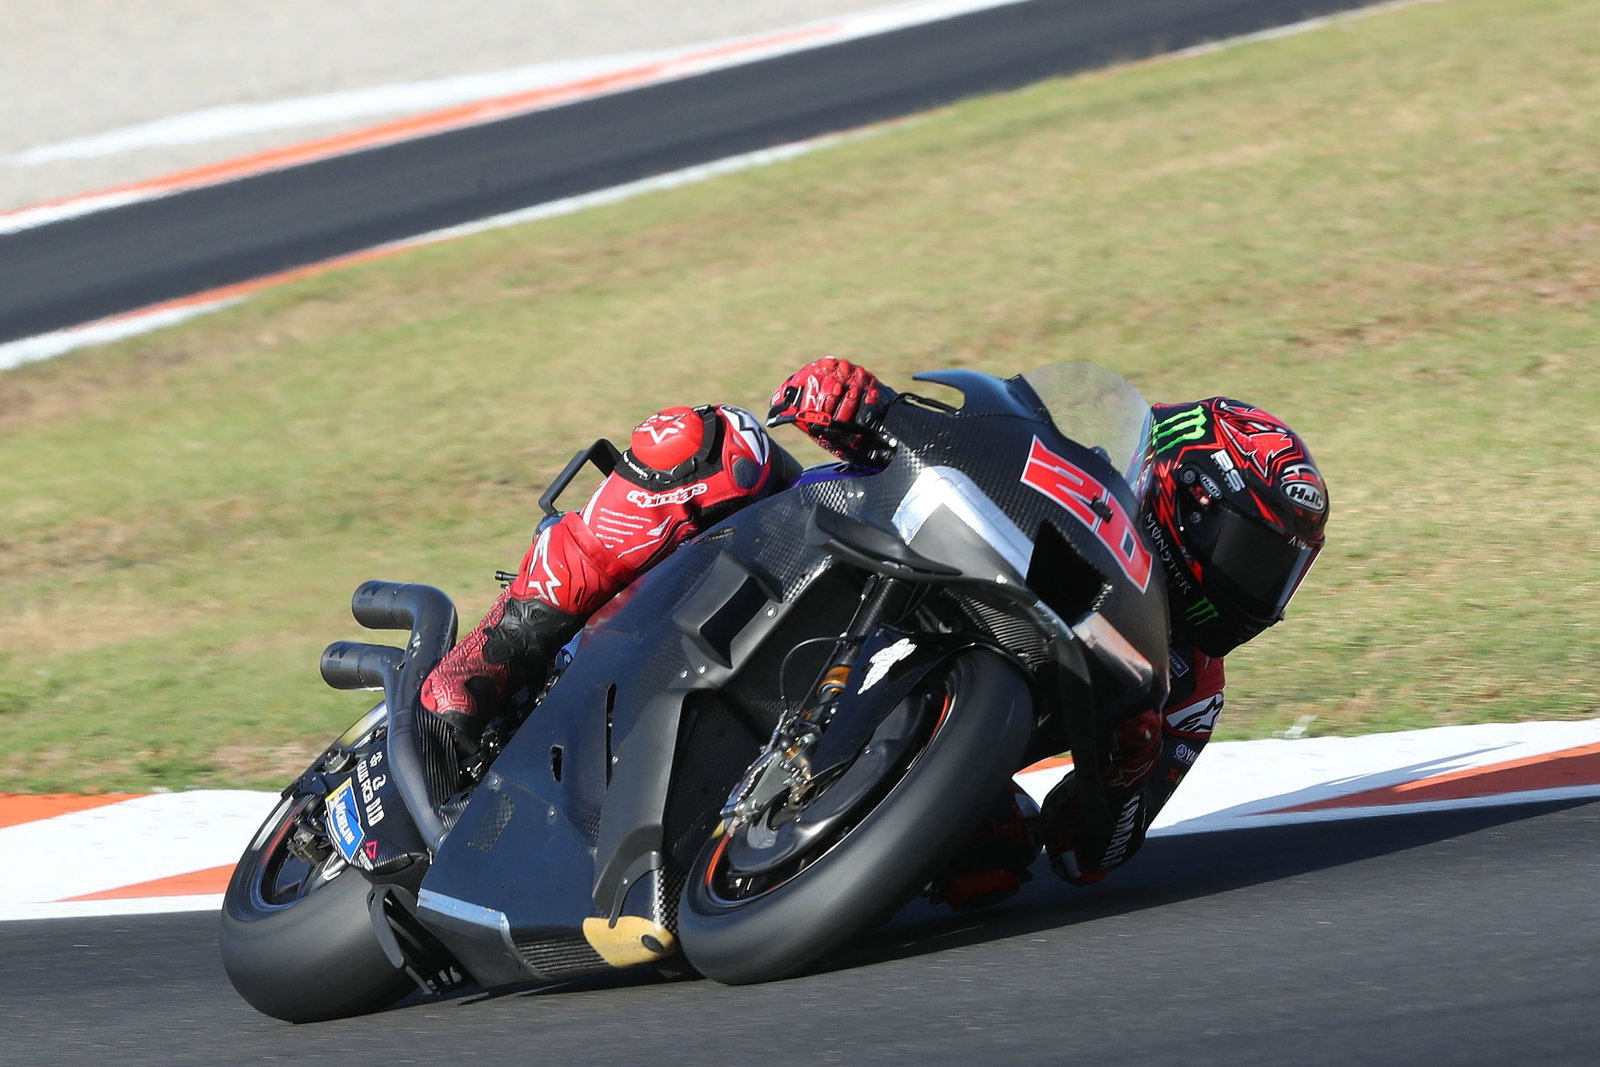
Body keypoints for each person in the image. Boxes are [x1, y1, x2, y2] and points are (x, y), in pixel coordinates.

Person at [420, 358, 1329, 905]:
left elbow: (1097, 854)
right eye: (1249, 554)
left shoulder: (1191, 686)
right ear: (1182, 491)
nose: (1257, 594)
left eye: (1277, 575)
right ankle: (506, 642)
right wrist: (864, 403)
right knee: (714, 444)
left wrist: (1123, 775)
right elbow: (962, 448)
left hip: (892, 749)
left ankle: (786, 866)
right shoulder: (1071, 493)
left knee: (996, 864)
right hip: (801, 564)